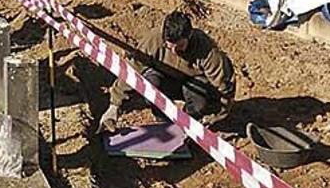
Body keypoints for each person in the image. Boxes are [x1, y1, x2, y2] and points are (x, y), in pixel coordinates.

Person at [98, 11, 235, 132]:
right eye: (170, 47)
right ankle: (164, 123)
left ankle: (188, 125)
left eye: (180, 46)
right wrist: (114, 106)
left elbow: (225, 87)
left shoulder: (207, 50)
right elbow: (132, 69)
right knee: (150, 83)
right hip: (165, 80)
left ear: (190, 35)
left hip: (194, 86)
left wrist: (215, 117)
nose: (174, 51)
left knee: (199, 101)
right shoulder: (153, 41)